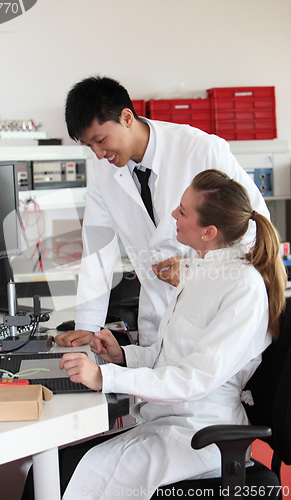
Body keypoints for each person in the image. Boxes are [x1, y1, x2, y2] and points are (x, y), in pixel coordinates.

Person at [46, 169, 286, 500]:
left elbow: (192, 379)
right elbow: (170, 355)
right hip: (168, 421)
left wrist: (106, 377)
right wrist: (123, 356)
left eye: (183, 211)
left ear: (209, 232)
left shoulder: (242, 287)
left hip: (200, 435)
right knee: (54, 469)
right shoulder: (200, 269)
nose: (173, 213)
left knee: (59, 477)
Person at [55, 76, 270, 348]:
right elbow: (98, 247)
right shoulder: (101, 172)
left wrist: (197, 270)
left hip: (216, 316)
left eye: (100, 140)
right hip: (158, 322)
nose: (98, 154)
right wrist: (87, 326)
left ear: (126, 118)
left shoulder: (200, 149)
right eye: (89, 146)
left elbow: (254, 227)